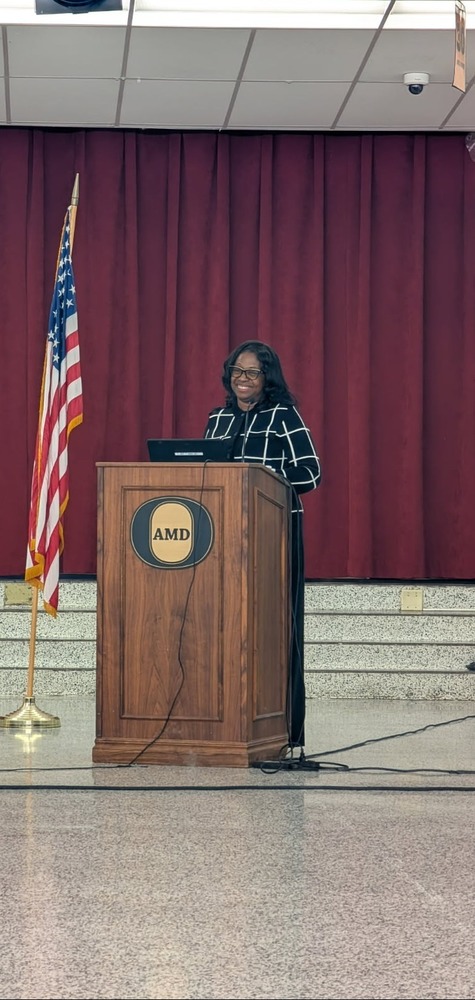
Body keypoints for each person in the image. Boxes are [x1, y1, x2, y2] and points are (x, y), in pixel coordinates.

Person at [204, 340, 321, 754]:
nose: (243, 379)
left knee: (276, 632)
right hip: (221, 539)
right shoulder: (217, 419)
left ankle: (286, 732)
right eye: (237, 371)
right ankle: (222, 724)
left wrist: (265, 475)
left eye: (252, 372)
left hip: (275, 535)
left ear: (267, 378)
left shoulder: (284, 416)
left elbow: (311, 472)